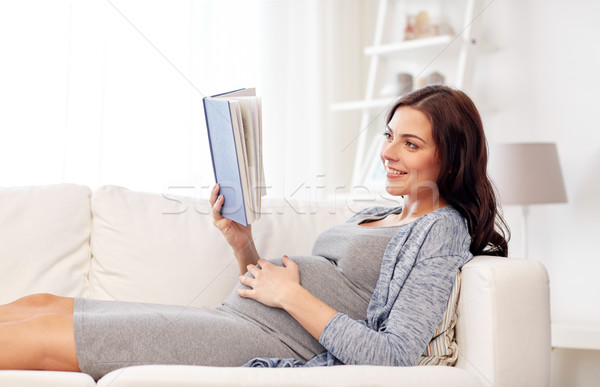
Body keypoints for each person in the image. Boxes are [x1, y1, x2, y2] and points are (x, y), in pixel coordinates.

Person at [0, 85, 509, 380]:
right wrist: (243, 244)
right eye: (389, 136)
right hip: (240, 315)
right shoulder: (379, 213)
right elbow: (273, 288)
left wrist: (290, 296)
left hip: (270, 340)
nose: (388, 152)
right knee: (43, 303)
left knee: (48, 337)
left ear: (451, 157)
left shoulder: (440, 230)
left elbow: (395, 355)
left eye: (410, 144)